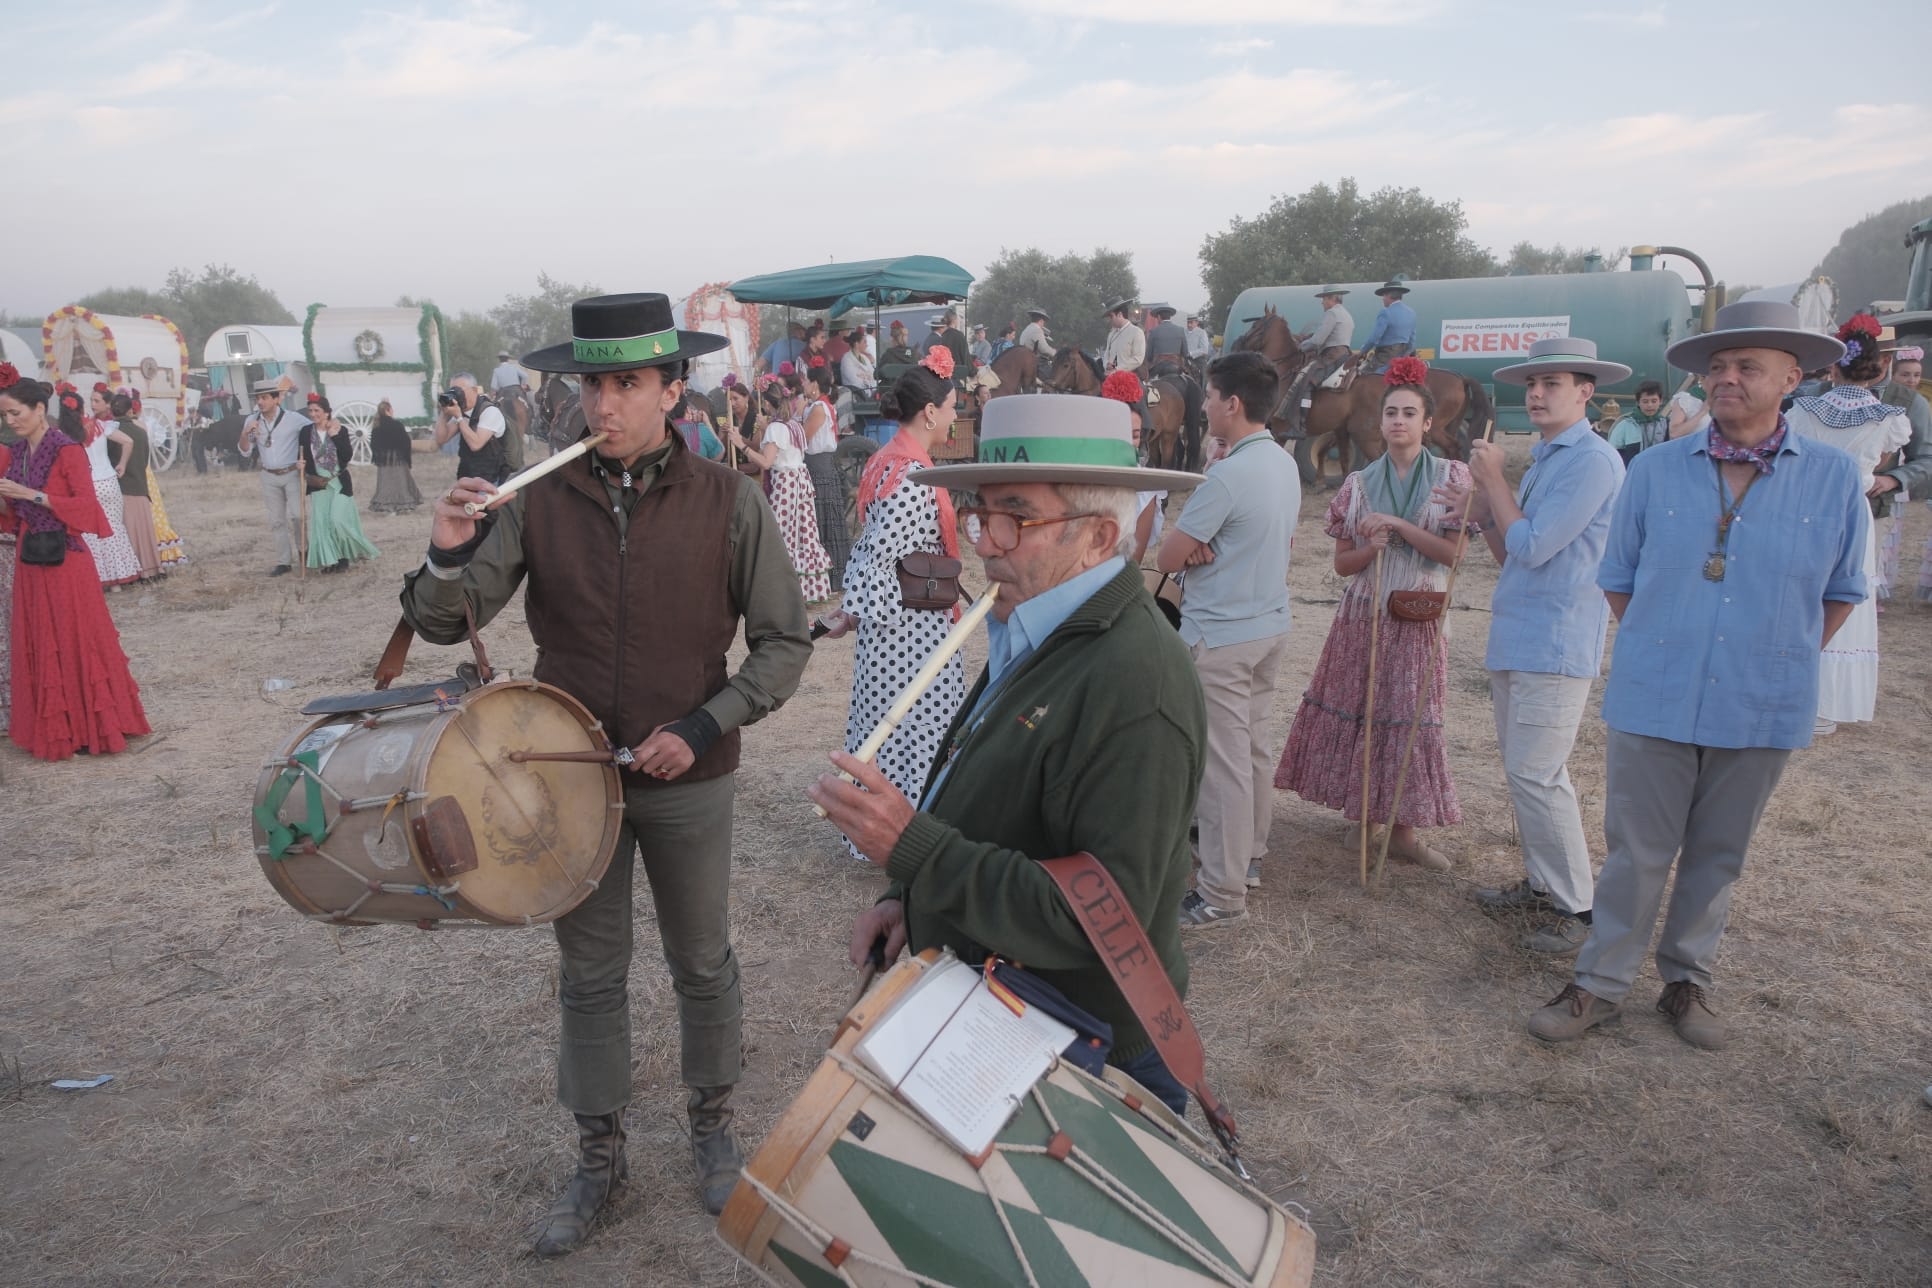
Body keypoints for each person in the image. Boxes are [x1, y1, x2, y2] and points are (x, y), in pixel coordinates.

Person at [399, 292, 811, 1251]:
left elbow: (785, 643)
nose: (604, 405)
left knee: (701, 960)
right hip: (569, 779)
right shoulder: (539, 498)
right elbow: (437, 620)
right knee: (589, 974)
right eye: (593, 383)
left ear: (673, 390)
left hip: (690, 775)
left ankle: (711, 1131)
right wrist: (446, 550)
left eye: (628, 383)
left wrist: (705, 727)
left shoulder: (728, 499)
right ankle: (599, 1158)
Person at [810, 392, 1206, 1114]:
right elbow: (981, 786)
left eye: (1014, 518)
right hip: (1002, 1013)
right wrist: (909, 897)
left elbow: (1105, 914)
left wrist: (916, 852)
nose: (983, 541)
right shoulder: (1035, 620)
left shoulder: (1134, 680)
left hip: (1083, 1051)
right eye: (978, 513)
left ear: (1096, 536)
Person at [1527, 300, 1867, 1050]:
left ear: (1792, 376)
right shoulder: (1650, 470)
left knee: (1719, 853)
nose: (1727, 378)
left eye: (1748, 366)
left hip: (1761, 700)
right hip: (1656, 693)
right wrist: (1664, 641)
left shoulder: (1837, 480)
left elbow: (1841, 592)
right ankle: (1601, 983)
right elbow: (1619, 578)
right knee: (1635, 852)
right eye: (1717, 366)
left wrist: (1771, 651)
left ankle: (1687, 980)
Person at [1447, 336, 1628, 954]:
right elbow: (1507, 553)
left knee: (1538, 773)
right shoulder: (1550, 456)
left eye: (1552, 383)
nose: (1537, 393)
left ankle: (1578, 911)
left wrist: (1494, 481)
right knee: (1525, 772)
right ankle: (1542, 884)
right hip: (1520, 630)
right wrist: (1478, 510)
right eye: (1532, 384)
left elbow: (1533, 546)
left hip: (1555, 639)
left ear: (1586, 392)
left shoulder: (1595, 462)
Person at [1275, 359, 1472, 868]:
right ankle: (1363, 820)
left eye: (1410, 413)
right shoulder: (1357, 485)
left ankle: (1403, 831)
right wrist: (1371, 545)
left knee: (1411, 715)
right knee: (1363, 707)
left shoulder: (1451, 477)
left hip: (1420, 611)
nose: (1399, 421)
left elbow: (1452, 555)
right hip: (1365, 611)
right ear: (1380, 422)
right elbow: (1343, 565)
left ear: (1429, 423)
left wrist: (1400, 528)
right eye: (1391, 413)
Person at [1156, 350, 1300, 924]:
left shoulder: (1227, 475)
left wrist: (1194, 546)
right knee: (1252, 751)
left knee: (1223, 768)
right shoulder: (1282, 463)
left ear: (1231, 403)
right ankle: (1249, 857)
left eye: (1211, 397)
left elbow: (1167, 555)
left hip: (1222, 635)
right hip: (1268, 625)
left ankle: (1221, 891)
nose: (1206, 406)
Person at [816, 353, 970, 863]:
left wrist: (853, 610)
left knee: (899, 729)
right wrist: (853, 610)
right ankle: (904, 836)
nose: (954, 417)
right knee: (914, 729)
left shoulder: (894, 461)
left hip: (903, 627)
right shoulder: (909, 475)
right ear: (928, 412)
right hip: (909, 633)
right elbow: (876, 552)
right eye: (951, 408)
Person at [0, 371, 150, 760]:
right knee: (41, 640)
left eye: (15, 412)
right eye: (5, 415)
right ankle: (58, 728)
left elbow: (85, 508)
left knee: (74, 639)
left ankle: (91, 728)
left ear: (38, 409)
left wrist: (31, 495)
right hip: (29, 558)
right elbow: (11, 513)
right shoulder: (15, 454)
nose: (10, 421)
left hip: (67, 559)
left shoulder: (68, 450)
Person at [1783, 315, 1910, 735]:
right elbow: (1884, 463)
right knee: (1846, 597)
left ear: (1834, 367)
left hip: (1806, 507)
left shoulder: (1804, 410)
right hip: (1854, 510)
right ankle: (1829, 703)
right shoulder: (1889, 418)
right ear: (1881, 368)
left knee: (1802, 593)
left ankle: (1796, 691)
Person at [741, 379, 833, 605]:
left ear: (766, 406)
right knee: (804, 534)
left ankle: (781, 590)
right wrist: (765, 429)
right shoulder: (793, 425)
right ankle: (809, 590)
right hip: (800, 482)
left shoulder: (776, 428)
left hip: (785, 484)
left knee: (781, 534)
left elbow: (765, 461)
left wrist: (740, 444)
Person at [1874, 345, 1931, 602]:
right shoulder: (1820, 397)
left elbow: (1923, 454)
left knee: (1880, 545)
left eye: (1916, 375)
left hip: (1881, 492)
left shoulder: (1913, 404)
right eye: (1906, 374)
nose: (1912, 380)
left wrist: (1894, 478)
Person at [239, 378, 310, 575]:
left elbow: (314, 431)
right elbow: (245, 451)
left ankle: (304, 551)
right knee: (277, 520)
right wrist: (245, 434)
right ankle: (284, 562)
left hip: (291, 473)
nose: (260, 402)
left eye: (264, 398)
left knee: (298, 515)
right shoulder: (251, 421)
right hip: (268, 475)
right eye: (257, 398)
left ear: (276, 399)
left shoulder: (294, 418)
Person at [301, 397, 379, 574]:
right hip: (318, 483)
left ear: (326, 412)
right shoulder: (305, 432)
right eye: (310, 411)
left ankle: (352, 551)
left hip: (338, 481)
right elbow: (303, 455)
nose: (313, 414)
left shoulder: (340, 430)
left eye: (317, 411)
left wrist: (334, 436)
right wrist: (300, 464)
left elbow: (347, 455)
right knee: (322, 523)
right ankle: (333, 560)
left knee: (338, 520)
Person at [77, 385, 142, 587]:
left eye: (96, 400)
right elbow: (128, 441)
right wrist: (121, 465)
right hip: (108, 481)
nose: (92, 404)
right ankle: (120, 576)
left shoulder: (70, 431)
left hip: (87, 484)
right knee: (114, 528)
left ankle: (99, 578)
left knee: (90, 532)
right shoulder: (102, 426)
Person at [1100, 372, 1167, 563]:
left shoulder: (1146, 490)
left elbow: (1133, 563)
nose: (1127, 444)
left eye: (1135, 435)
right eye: (1119, 434)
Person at [799, 367, 850, 590]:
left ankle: (833, 577)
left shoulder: (819, 407)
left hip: (820, 469)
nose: (803, 386)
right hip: (819, 467)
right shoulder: (818, 406)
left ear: (814, 384)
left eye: (805, 382)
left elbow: (802, 437)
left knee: (825, 522)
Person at [1282, 286, 1356, 437]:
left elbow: (1318, 340)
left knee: (1306, 382)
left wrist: (1300, 347)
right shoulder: (1347, 315)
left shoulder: (1332, 313)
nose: (1322, 303)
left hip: (1331, 355)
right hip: (1344, 354)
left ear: (1331, 299)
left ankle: (1300, 425)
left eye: (1324, 299)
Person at [105, 393, 161, 581]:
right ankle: (153, 568)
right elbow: (145, 460)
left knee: (129, 532)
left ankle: (135, 571)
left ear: (111, 410)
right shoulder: (141, 432)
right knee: (145, 531)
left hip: (122, 486)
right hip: (140, 484)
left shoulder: (111, 433)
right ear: (130, 410)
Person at [434, 374, 508, 486]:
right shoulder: (463, 412)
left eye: (459, 391)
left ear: (474, 390)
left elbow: (476, 444)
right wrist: (444, 414)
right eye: (452, 391)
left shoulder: (490, 411)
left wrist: (459, 417)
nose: (456, 395)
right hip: (467, 477)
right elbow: (441, 439)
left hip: (490, 479)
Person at [368, 400, 423, 514]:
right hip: (397, 458)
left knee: (386, 482)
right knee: (400, 481)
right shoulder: (397, 425)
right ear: (388, 410)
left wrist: (379, 456)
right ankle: (403, 505)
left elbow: (373, 444)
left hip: (384, 460)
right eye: (391, 409)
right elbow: (405, 441)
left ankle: (386, 506)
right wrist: (407, 457)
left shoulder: (376, 426)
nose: (393, 411)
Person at [1607, 381, 1671, 465]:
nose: (1650, 405)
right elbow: (1612, 453)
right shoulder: (1625, 424)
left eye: (1654, 401)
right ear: (1638, 402)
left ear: (1660, 401)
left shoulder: (1666, 424)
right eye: (1645, 401)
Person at [1359, 279, 1417, 367]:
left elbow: (1374, 338)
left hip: (1385, 359)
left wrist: (1363, 351)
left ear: (1389, 295)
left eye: (1384, 296)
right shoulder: (1411, 312)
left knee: (1362, 375)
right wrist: (1404, 357)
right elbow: (1412, 340)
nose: (1383, 299)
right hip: (1403, 359)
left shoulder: (1386, 312)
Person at [1102, 299, 1146, 375]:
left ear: (1119, 315)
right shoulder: (1111, 334)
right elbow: (1106, 353)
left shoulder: (1136, 332)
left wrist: (1117, 369)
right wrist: (1106, 364)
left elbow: (1138, 359)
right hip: (1110, 376)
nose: (1110, 320)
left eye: (1111, 316)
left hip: (1129, 376)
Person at [840, 326, 876, 395]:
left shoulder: (864, 358)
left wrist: (868, 379)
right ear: (856, 344)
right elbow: (853, 380)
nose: (867, 345)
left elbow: (873, 374)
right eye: (864, 342)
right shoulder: (846, 359)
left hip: (869, 391)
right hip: (855, 394)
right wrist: (867, 378)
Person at [935, 308, 972, 374]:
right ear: (954, 320)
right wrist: (974, 371)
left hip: (946, 376)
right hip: (959, 375)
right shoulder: (959, 335)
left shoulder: (942, 337)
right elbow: (965, 358)